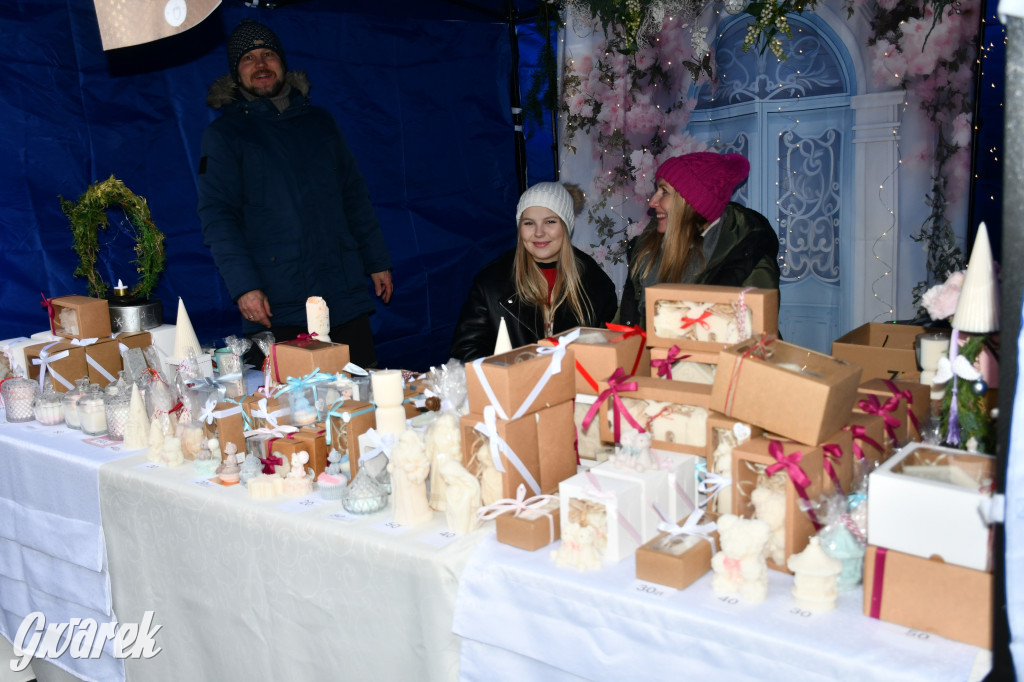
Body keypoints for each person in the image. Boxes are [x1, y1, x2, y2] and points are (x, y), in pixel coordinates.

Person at [197, 19, 392, 367]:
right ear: (236, 73)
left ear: (282, 64)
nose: (260, 64)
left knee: (363, 398)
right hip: (275, 303)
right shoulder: (225, 135)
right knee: (286, 413)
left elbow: (354, 196)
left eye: (268, 54)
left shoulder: (321, 123)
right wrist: (244, 287)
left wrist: (376, 261)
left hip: (341, 295)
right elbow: (217, 215)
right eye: (248, 58)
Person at [450, 182, 617, 361]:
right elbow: (465, 354)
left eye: (550, 221)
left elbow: (606, 351)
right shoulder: (491, 284)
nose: (539, 232)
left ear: (566, 226)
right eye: (529, 223)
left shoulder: (595, 282)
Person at [619, 152, 781, 328]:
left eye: (664, 191)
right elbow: (627, 321)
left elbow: (754, 332)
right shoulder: (648, 249)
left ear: (691, 203)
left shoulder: (748, 252)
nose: (652, 202)